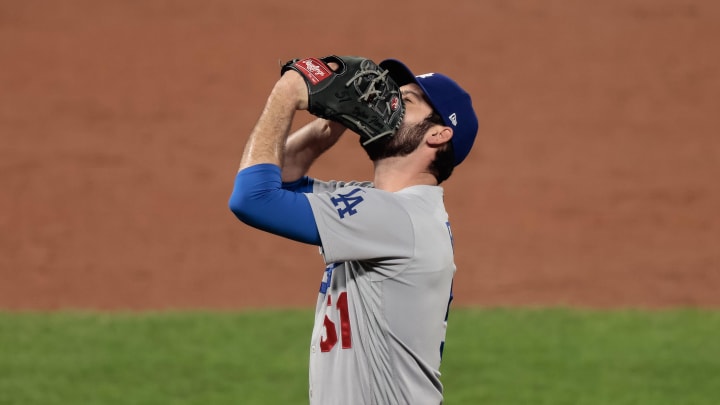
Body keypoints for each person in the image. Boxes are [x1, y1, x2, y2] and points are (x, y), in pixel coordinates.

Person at [229, 56, 479, 405]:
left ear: (437, 134)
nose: (384, 108)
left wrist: (286, 93)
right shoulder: (385, 208)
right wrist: (333, 122)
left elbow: (253, 198)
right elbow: (284, 179)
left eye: (403, 103)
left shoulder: (399, 219)